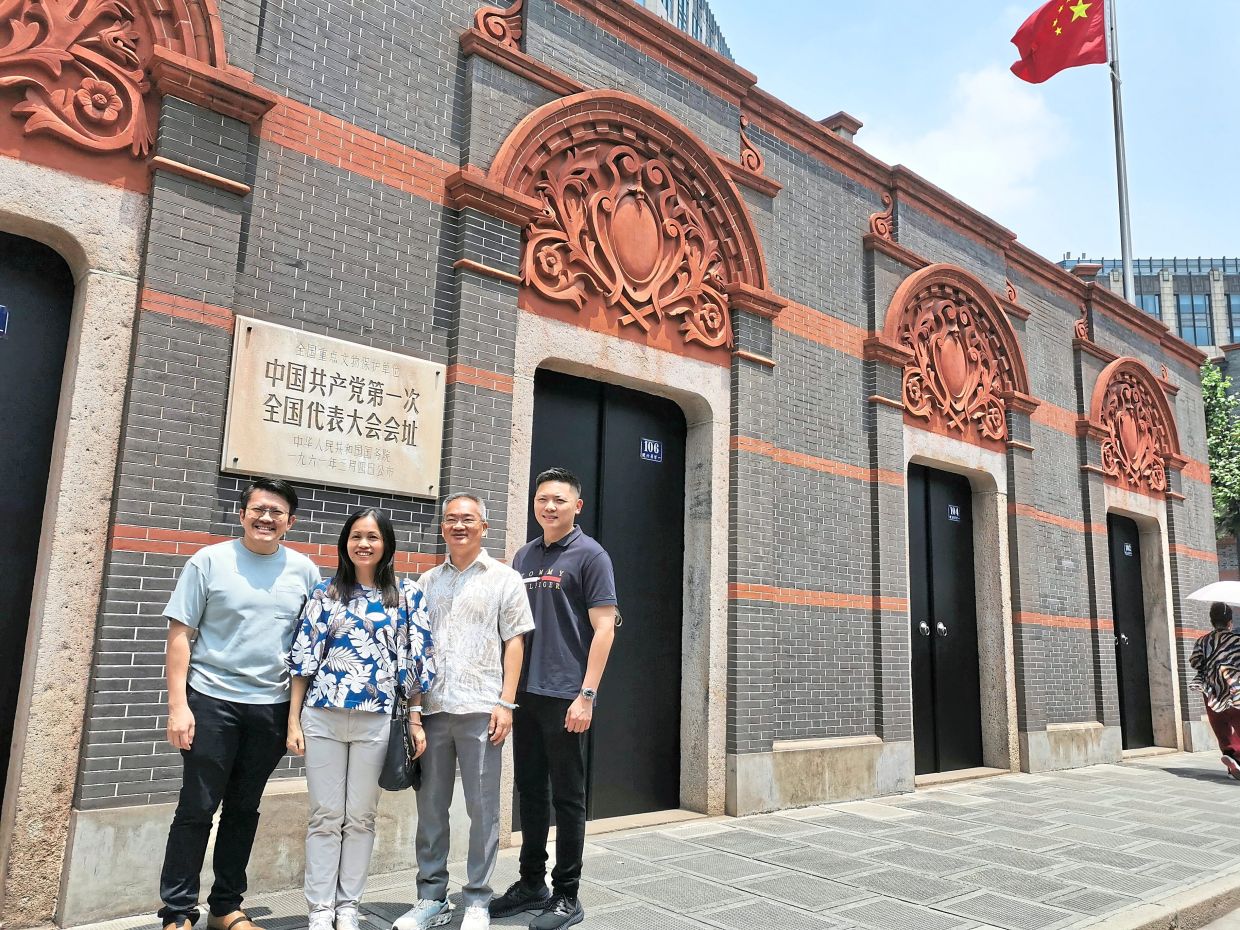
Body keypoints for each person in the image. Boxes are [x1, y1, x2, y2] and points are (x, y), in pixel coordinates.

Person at [157, 478, 322, 930]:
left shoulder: (304, 572)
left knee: (243, 810)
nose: (266, 518)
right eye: (258, 509)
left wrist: (295, 716)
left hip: (269, 708)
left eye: (276, 512)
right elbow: (179, 636)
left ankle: (226, 907)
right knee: (197, 807)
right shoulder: (209, 561)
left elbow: (309, 649)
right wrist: (178, 706)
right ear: (242, 513)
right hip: (210, 702)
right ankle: (177, 912)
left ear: (291, 521)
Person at [287, 508, 435, 930]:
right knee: (324, 815)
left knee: (361, 817)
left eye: (372, 536)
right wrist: (293, 721)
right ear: (345, 543)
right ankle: (319, 909)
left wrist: (416, 719)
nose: (363, 544)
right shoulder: (325, 593)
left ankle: (348, 905)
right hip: (323, 717)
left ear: (386, 544)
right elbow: (303, 661)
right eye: (356, 536)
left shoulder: (407, 595)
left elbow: (417, 662)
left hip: (376, 721)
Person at [395, 493, 534, 930]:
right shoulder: (426, 582)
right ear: (442, 528)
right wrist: (414, 712)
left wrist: (506, 703)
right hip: (434, 710)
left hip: (482, 709)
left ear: (484, 527)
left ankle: (476, 898)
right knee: (431, 810)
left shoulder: (505, 578)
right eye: (451, 519)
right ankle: (431, 898)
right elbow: (415, 650)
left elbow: (515, 642)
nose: (459, 526)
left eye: (468, 519)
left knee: (482, 809)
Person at [490, 468, 617, 930]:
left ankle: (567, 893)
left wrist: (587, 694)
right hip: (526, 694)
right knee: (531, 791)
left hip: (567, 696)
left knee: (568, 797)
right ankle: (530, 883)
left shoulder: (590, 555)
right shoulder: (523, 555)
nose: (549, 507)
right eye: (543, 499)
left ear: (576, 506)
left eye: (559, 500)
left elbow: (605, 627)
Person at [1189, 601, 1240, 780]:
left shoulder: (1203, 640)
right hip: (1235, 689)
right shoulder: (1237, 640)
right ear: (1230, 622)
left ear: (1212, 621)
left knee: (1219, 723)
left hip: (1212, 689)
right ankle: (1237, 756)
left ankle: (1230, 752)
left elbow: (1195, 662)